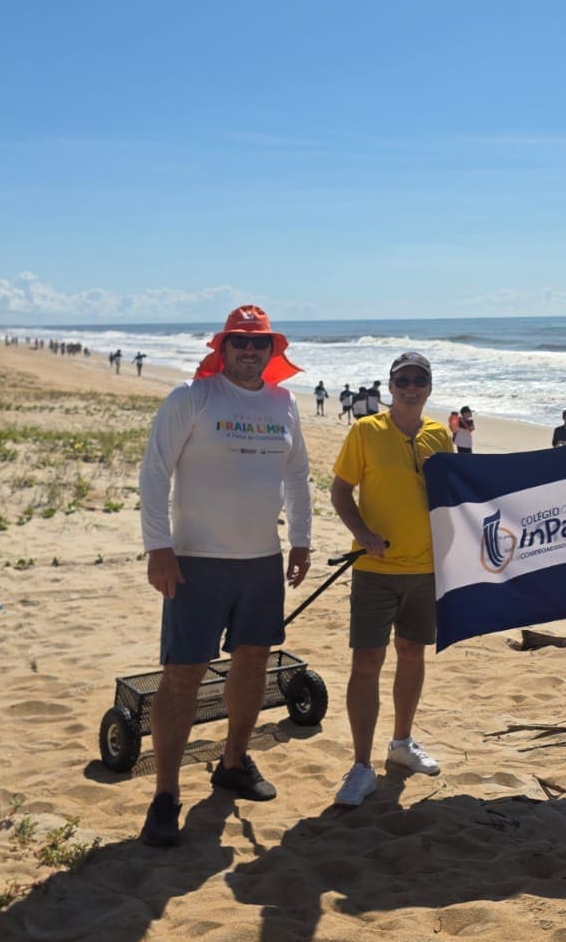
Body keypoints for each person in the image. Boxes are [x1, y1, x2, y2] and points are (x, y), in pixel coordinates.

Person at [136, 305, 312, 847]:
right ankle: (166, 794)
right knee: (183, 673)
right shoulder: (192, 397)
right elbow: (155, 470)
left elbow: (297, 476)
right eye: (240, 341)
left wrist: (301, 539)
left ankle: (233, 762)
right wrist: (158, 547)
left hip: (261, 559)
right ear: (223, 347)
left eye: (259, 343)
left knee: (253, 661)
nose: (249, 350)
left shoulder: (285, 403)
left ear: (272, 349)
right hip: (196, 560)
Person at [329, 351, 453, 806]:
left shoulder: (440, 435)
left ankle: (401, 743)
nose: (410, 387)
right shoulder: (365, 430)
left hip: (424, 569)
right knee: (367, 661)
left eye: (419, 380)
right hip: (374, 569)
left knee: (412, 654)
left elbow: (453, 496)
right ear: (390, 386)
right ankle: (361, 765)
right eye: (403, 380)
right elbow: (340, 490)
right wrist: (363, 533)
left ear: (429, 387)